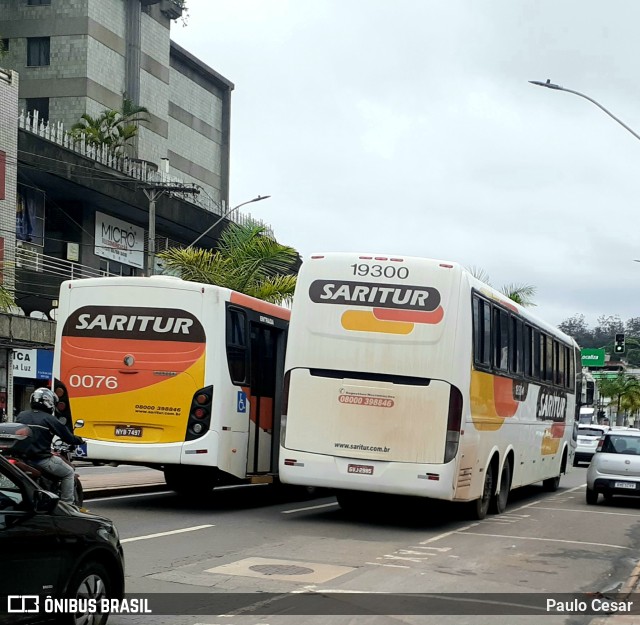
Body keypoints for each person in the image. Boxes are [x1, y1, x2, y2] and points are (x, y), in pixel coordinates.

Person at [16, 387, 84, 506]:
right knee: (68, 472)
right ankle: (68, 505)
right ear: (50, 402)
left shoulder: (22, 415)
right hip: (41, 459)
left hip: (22, 458)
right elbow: (67, 436)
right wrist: (79, 440)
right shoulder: (50, 419)